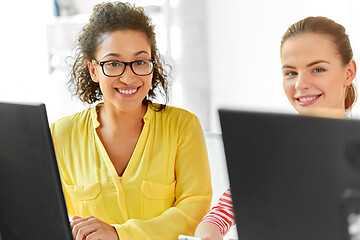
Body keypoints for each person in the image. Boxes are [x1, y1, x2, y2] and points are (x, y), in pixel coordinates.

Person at [50, 2, 212, 240]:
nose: (128, 77)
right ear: (93, 70)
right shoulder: (60, 135)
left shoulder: (183, 127)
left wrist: (118, 233)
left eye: (140, 62)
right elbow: (50, 217)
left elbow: (194, 212)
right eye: (113, 63)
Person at [194, 16, 357, 240]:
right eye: (291, 72)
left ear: (348, 72)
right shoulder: (268, 155)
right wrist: (207, 235)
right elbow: (216, 219)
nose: (300, 84)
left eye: (317, 69)